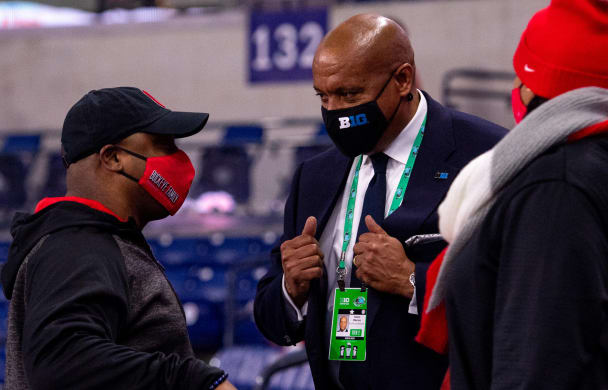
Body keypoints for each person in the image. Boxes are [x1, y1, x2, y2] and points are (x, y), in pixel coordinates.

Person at [417, 0, 608, 389]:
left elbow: (537, 364)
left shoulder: (558, 188)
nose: (516, 91)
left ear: (537, 87)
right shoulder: (604, 168)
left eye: (522, 77)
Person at [254, 14, 506, 390]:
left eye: (350, 94)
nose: (335, 111)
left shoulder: (485, 155)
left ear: (402, 79)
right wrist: (292, 290)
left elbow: (516, 296)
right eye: (324, 96)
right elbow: (273, 318)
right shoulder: (314, 177)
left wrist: (413, 281)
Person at [0, 87, 237, 390]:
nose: (178, 159)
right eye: (162, 144)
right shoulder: (78, 246)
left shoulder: (90, 240)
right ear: (113, 157)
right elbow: (61, 362)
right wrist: (196, 381)